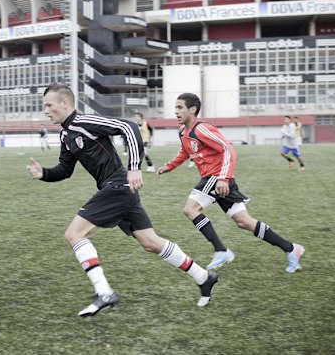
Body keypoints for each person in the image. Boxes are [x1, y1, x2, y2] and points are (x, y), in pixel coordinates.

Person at [26, 83, 219, 317]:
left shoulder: (84, 122)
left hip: (118, 184)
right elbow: (65, 170)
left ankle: (104, 292)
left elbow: (126, 126)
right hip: (118, 189)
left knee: (74, 234)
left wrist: (134, 167)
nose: (46, 110)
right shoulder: (67, 134)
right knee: (150, 242)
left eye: (49, 105)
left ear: (64, 103)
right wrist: (43, 174)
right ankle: (203, 276)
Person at [156, 93, 304, 273]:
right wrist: (169, 166)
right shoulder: (183, 131)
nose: (176, 112)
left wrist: (223, 178)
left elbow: (227, 149)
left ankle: (221, 250)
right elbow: (185, 152)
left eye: (180, 108)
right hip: (216, 180)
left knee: (190, 209)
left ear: (192, 109)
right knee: (244, 222)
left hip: (216, 177)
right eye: (175, 108)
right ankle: (291, 249)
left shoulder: (201, 128)